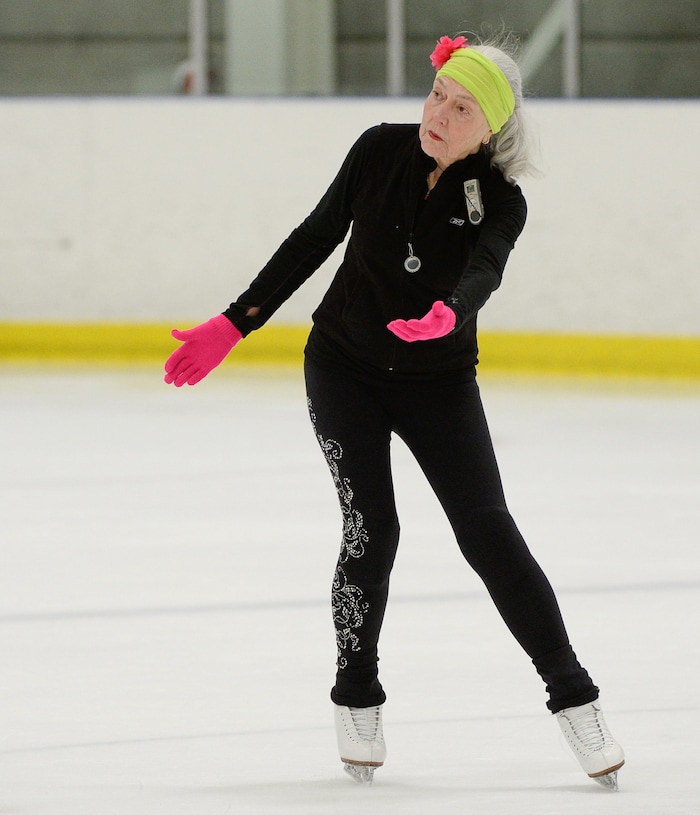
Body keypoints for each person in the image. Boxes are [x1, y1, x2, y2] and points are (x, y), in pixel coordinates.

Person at [164, 34, 625, 789]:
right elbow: (315, 237)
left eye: (461, 106)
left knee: (488, 532)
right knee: (372, 527)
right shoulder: (378, 150)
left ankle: (575, 698)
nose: (439, 112)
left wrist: (452, 311)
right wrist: (235, 321)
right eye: (438, 92)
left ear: (492, 129)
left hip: (438, 380)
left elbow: (486, 267)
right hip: (343, 367)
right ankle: (356, 693)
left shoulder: (500, 200)